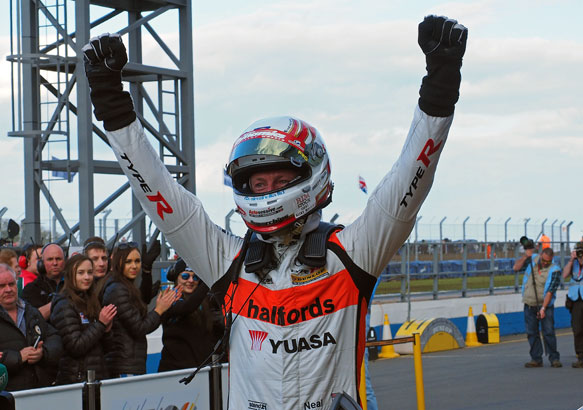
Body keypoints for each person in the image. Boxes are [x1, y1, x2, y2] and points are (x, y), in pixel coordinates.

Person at [83, 15, 467, 408]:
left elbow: (410, 180)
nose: (267, 193)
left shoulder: (351, 253)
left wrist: (439, 87)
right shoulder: (228, 261)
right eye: (258, 184)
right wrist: (113, 104)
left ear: (310, 176)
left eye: (280, 182)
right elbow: (160, 194)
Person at [0, 264, 62, 390]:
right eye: (1, 286)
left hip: (39, 390)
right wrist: (18, 357)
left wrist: (42, 353)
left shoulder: (30, 310)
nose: (8, 289)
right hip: (4, 397)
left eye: (11, 284)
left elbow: (54, 336)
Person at [100, 242, 180, 377]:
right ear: (118, 263)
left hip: (128, 363)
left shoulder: (123, 286)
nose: (134, 266)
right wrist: (159, 309)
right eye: (128, 261)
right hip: (124, 366)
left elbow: (140, 311)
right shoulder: (118, 290)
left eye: (137, 261)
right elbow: (140, 328)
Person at [50, 254, 117, 384]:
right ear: (70, 275)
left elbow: (106, 349)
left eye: (90, 272)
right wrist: (100, 324)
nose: (87, 277)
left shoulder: (92, 301)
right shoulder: (63, 304)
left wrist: (107, 331)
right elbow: (75, 347)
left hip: (96, 377)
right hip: (77, 380)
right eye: (81, 273)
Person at [158, 258, 224, 372]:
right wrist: (208, 280)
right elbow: (186, 308)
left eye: (195, 277)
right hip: (174, 371)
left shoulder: (207, 301)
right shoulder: (168, 299)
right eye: (185, 276)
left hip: (201, 371)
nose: (191, 280)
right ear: (176, 278)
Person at [515, 247, 562, 368]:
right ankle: (536, 358)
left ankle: (554, 358)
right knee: (531, 332)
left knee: (548, 332)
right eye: (544, 260)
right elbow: (516, 268)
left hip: (545, 305)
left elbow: (550, 291)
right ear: (541, 255)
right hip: (529, 304)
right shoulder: (532, 260)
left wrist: (543, 308)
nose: (545, 263)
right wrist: (526, 256)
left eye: (548, 261)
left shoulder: (555, 270)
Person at [22, 243, 66, 320]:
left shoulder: (74, 284)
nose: (55, 263)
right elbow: (33, 318)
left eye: (58, 259)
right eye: (50, 259)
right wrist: (60, 300)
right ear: (41, 263)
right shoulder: (31, 289)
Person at [562, 241, 583, 368]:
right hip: (575, 300)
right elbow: (564, 275)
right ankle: (580, 355)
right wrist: (571, 260)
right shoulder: (573, 263)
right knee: (578, 329)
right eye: (578, 251)